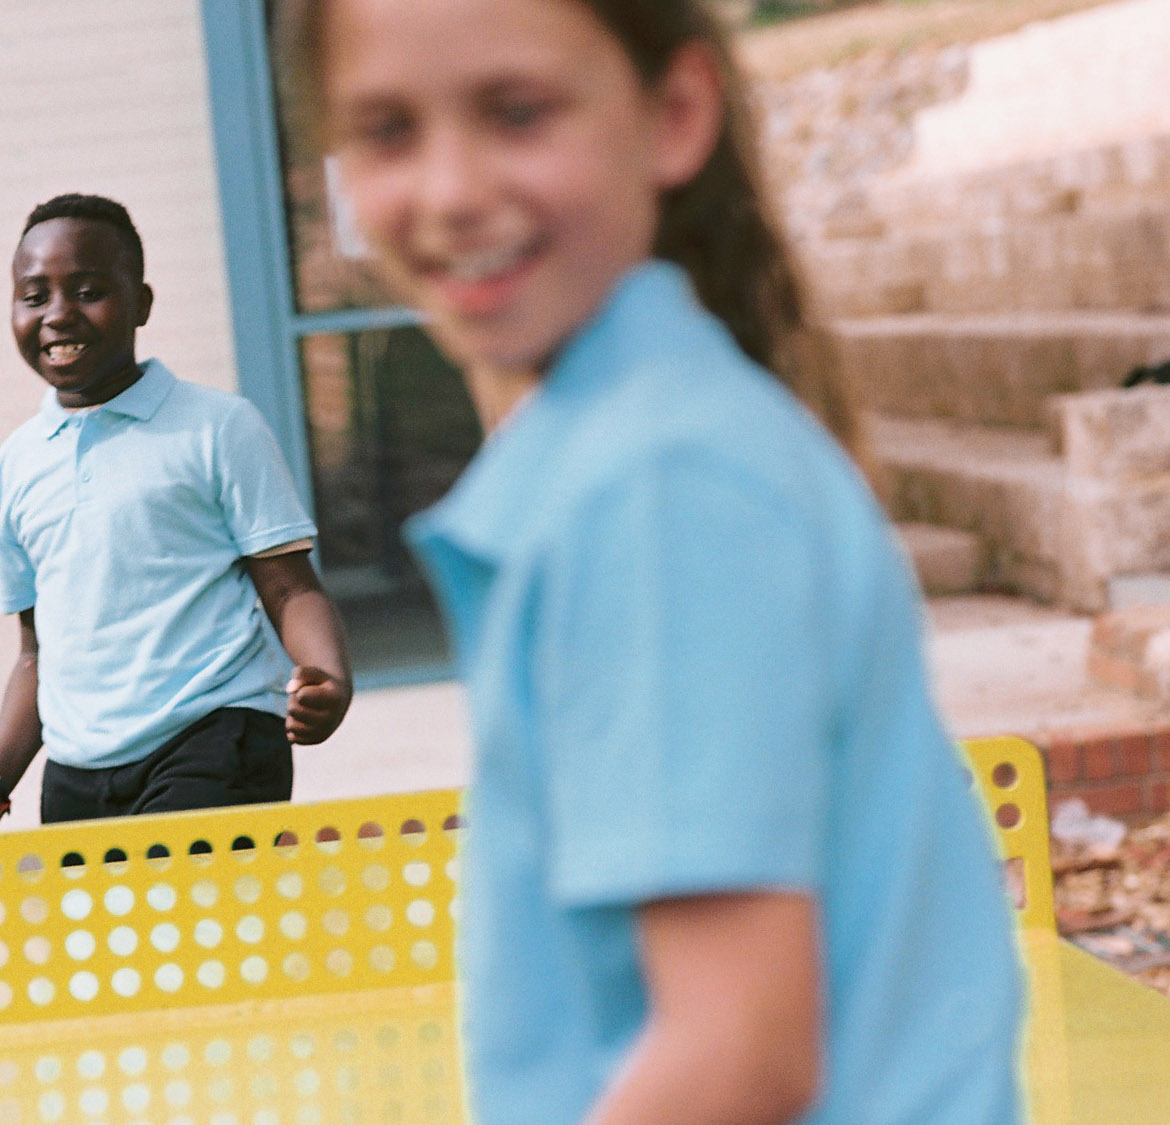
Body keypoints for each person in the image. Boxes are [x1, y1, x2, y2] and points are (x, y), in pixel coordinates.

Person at [282, 1, 1022, 1122]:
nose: (447, 189)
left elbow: (737, 1052)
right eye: (386, 130)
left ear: (672, 117)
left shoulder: (653, 485)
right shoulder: (640, 440)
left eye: (517, 112)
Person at [0, 193, 351, 832]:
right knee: (101, 936)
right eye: (34, 297)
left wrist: (328, 677)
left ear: (141, 303)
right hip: (78, 771)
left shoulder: (219, 427)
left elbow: (290, 587)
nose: (58, 315)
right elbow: (36, 653)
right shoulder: (14, 465)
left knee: (188, 926)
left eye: (86, 291)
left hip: (214, 738)